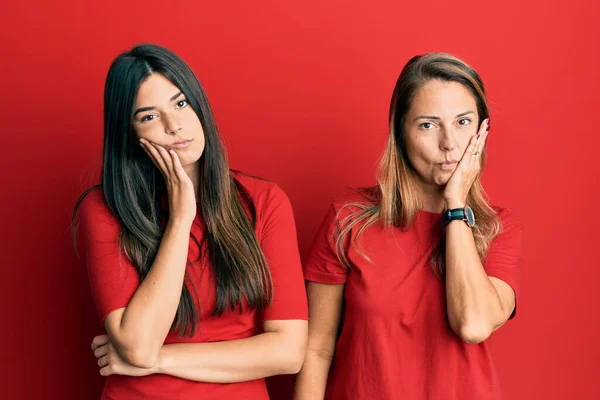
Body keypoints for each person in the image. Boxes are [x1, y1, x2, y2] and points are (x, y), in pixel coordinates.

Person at [72, 43, 308, 399]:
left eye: (181, 103)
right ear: (130, 135)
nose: (174, 125)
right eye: (148, 116)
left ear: (199, 107)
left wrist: (159, 360)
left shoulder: (263, 201)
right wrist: (181, 219)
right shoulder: (104, 209)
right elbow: (137, 345)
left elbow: (288, 352)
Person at [294, 52, 524, 400]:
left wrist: (456, 207)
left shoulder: (497, 228)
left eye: (463, 122)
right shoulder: (350, 217)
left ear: (482, 130)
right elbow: (316, 350)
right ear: (401, 132)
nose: (449, 143)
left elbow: (473, 325)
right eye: (428, 125)